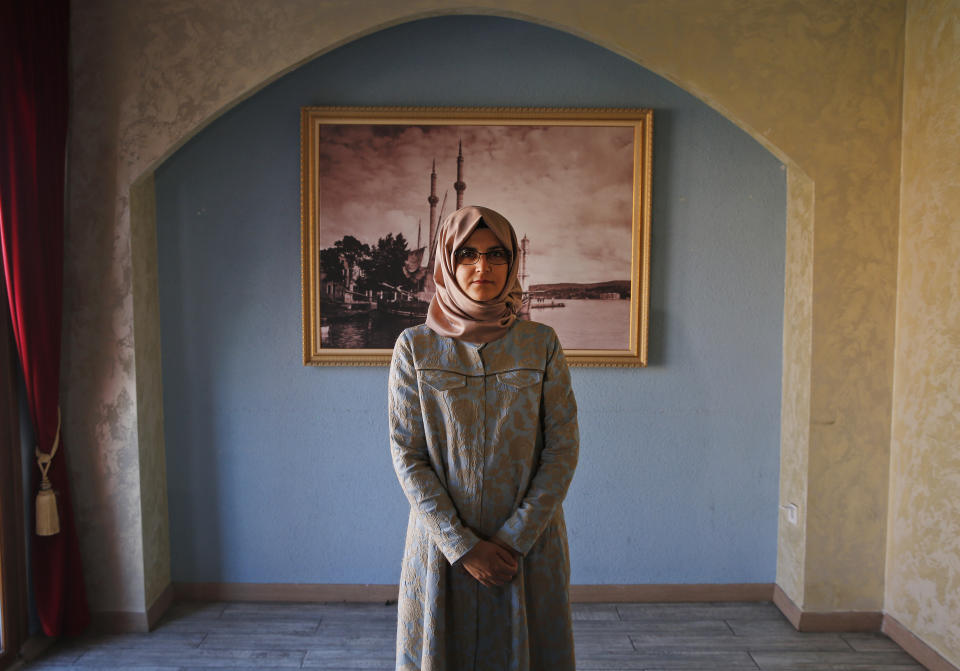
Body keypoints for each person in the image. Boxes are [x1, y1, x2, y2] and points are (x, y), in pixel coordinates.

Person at [388, 205, 579, 670]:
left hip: (528, 547)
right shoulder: (415, 347)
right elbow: (407, 454)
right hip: (442, 548)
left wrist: (514, 539)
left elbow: (562, 449)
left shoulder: (541, 343)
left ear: (512, 261)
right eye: (468, 253)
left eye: (496, 254)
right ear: (447, 261)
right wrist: (463, 546)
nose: (483, 267)